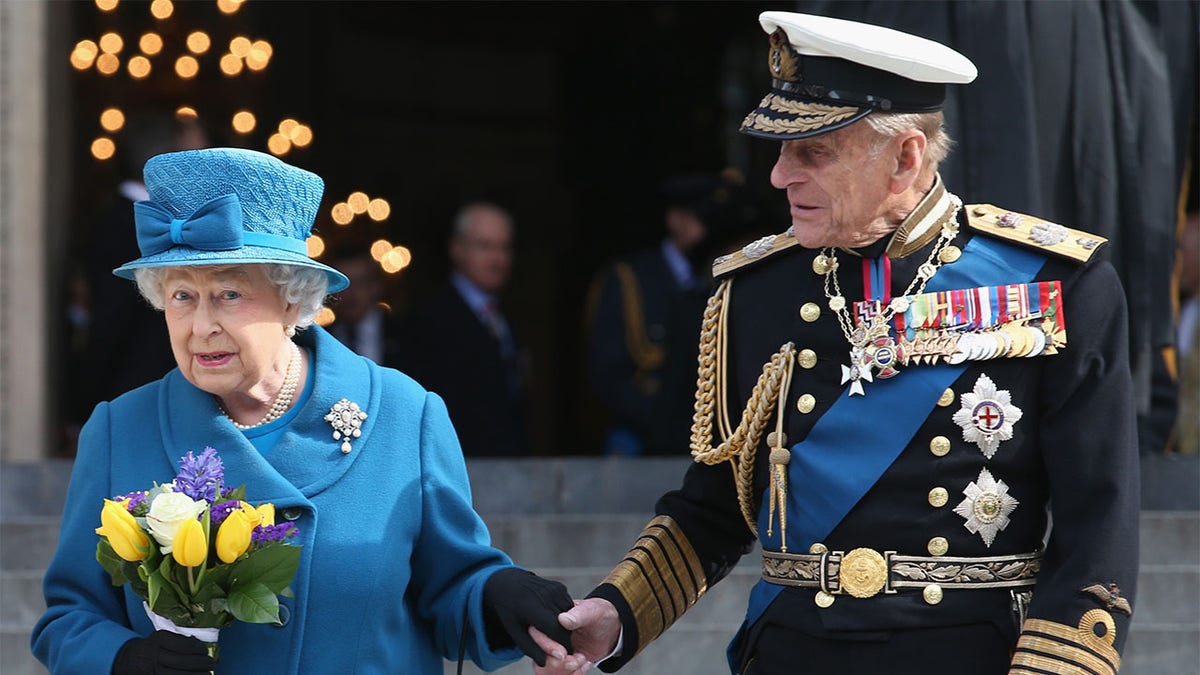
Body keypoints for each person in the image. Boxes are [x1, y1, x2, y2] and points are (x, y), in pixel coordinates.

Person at [535, 12, 1139, 675]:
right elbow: (714, 509)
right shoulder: (753, 291)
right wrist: (617, 612)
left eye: (812, 151)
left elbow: (1096, 532)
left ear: (906, 157)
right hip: (792, 653)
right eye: (779, 150)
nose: (778, 176)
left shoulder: (1056, 281)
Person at [30, 148, 587, 674]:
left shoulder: (403, 414)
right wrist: (123, 658)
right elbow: (67, 618)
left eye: (228, 294)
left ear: (294, 299)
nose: (201, 327)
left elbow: (453, 589)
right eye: (181, 296)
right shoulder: (119, 428)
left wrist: (495, 594)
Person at [584, 171, 745, 455]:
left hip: (710, 439)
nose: (713, 231)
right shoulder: (630, 279)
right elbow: (607, 373)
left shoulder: (721, 280)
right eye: (703, 219)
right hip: (640, 437)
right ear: (676, 219)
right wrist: (664, 423)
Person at [75, 110, 209, 421]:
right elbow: (107, 325)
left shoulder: (158, 220)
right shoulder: (120, 225)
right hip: (134, 401)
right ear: (172, 156)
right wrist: (85, 407)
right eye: (197, 154)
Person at [399, 202, 528, 456]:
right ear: (457, 249)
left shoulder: (505, 317)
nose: (498, 259)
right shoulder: (428, 320)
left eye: (505, 248)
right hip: (457, 466)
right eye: (485, 246)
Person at [325, 248, 402, 368]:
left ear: (376, 287)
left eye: (360, 283)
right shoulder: (321, 340)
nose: (351, 293)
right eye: (344, 285)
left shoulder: (407, 334)